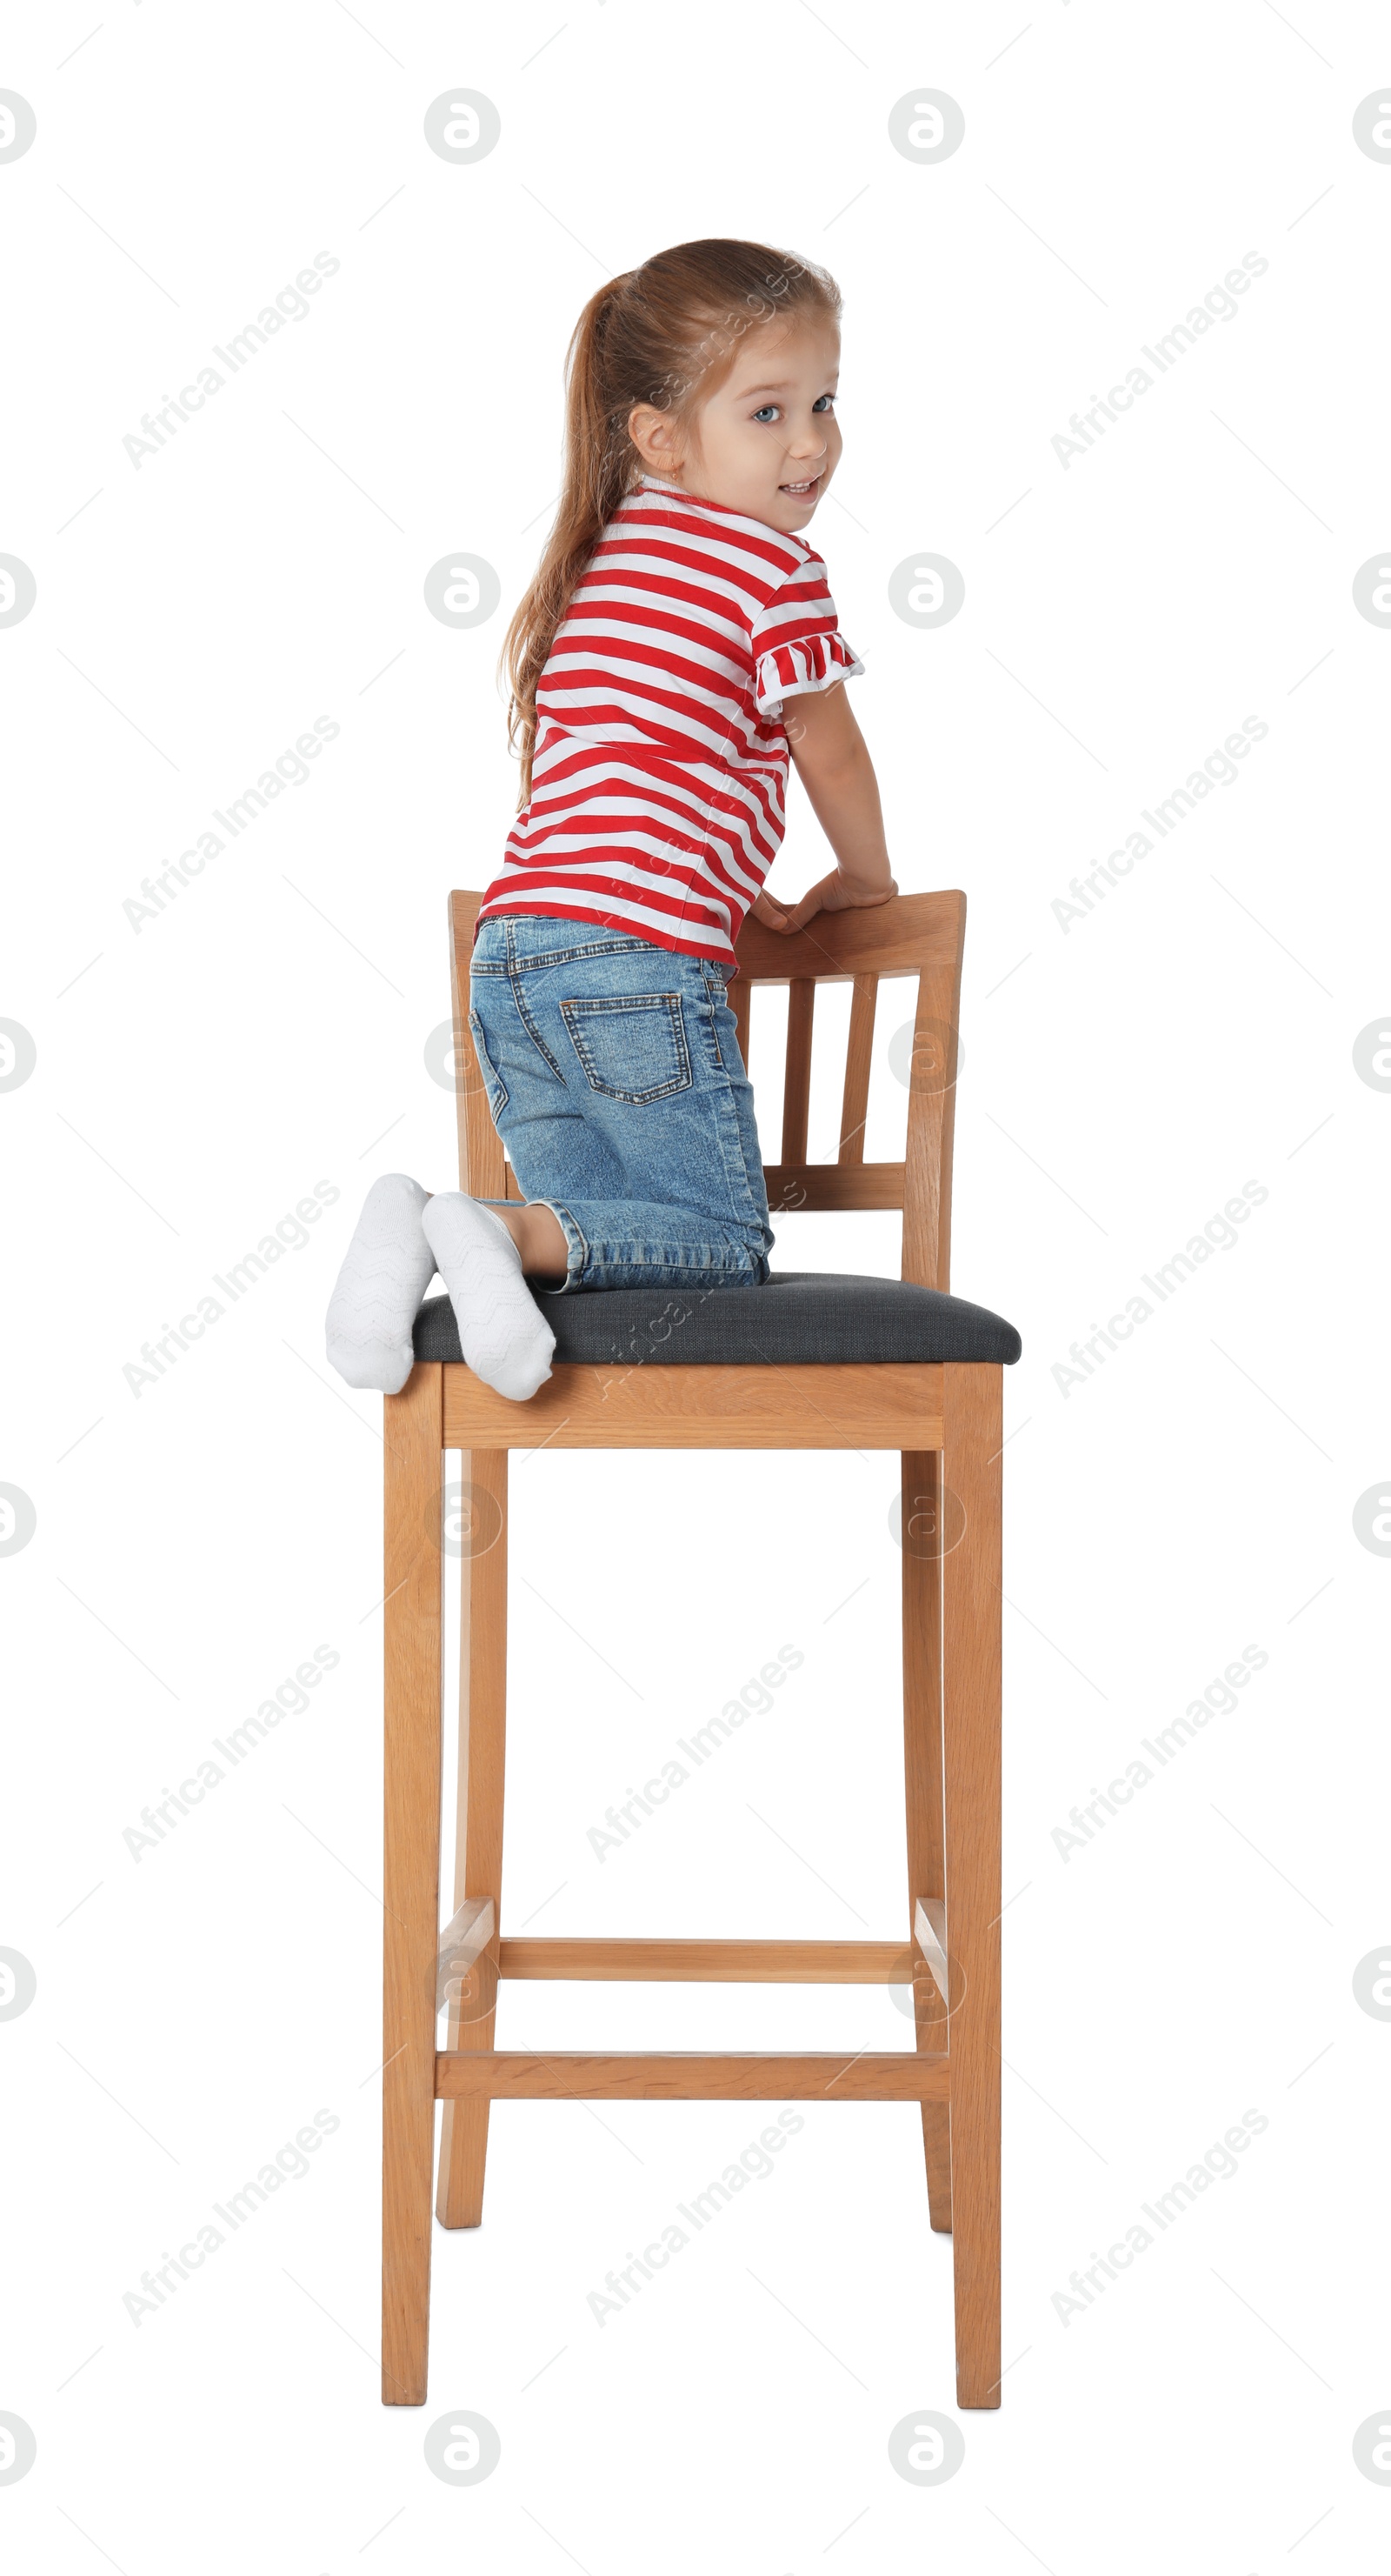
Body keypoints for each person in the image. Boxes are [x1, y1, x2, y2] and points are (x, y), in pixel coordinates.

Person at [325, 236, 895, 1403]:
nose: (811, 443)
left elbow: (626, 780)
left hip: (514, 954)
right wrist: (869, 877)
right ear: (660, 437)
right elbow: (825, 747)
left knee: (593, 1229)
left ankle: (445, 1223)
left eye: (826, 403)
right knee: (720, 1242)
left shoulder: (605, 558)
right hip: (633, 962)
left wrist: (739, 890)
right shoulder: (774, 572)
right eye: (769, 411)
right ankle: (477, 1227)